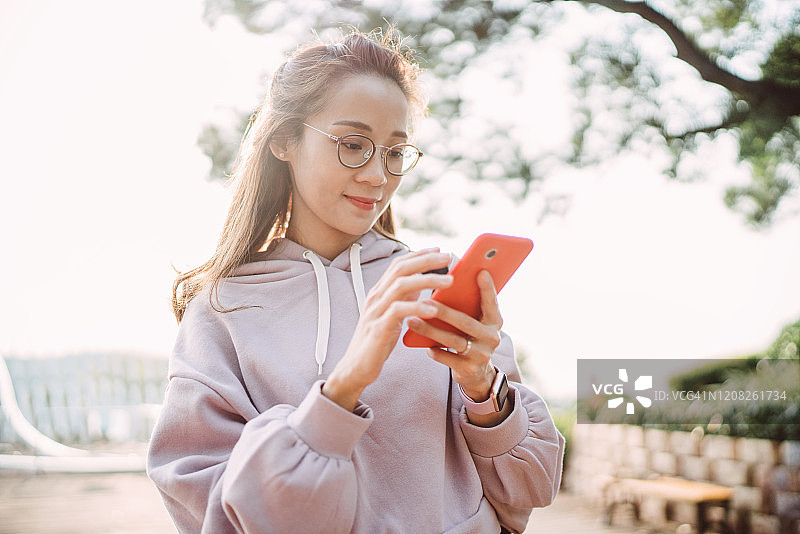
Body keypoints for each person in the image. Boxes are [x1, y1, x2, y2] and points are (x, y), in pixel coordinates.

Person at [146, 27, 565, 534]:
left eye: (394, 152)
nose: (377, 176)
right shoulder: (223, 310)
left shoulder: (431, 280)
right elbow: (213, 512)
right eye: (352, 144)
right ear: (284, 140)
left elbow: (532, 487)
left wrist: (483, 390)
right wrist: (346, 385)